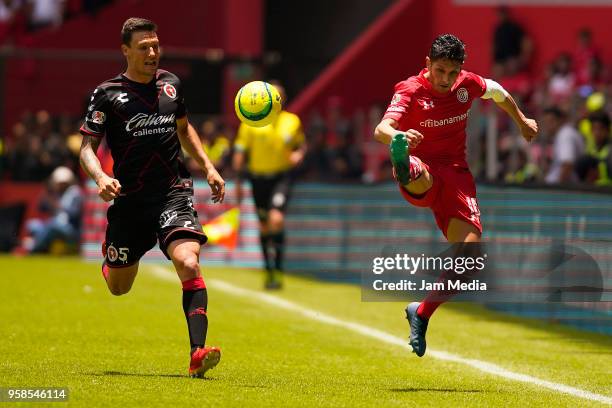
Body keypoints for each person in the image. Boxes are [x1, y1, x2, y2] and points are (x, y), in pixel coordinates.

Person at [78, 18, 225, 378]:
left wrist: (208, 166)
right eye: (144, 47)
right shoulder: (107, 94)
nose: (152, 52)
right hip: (129, 204)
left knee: (189, 263)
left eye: (156, 45)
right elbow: (86, 148)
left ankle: (196, 353)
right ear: (125, 50)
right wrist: (100, 176)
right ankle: (111, 263)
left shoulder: (171, 85)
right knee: (118, 288)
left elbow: (184, 127)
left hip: (172, 193)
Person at [374, 34, 537, 357]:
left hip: (457, 175)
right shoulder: (410, 89)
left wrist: (522, 122)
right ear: (427, 65)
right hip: (425, 168)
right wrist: (399, 135)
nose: (445, 79)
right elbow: (382, 128)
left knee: (471, 259)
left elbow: (500, 93)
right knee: (419, 172)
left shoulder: (469, 84)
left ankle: (420, 313)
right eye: (439, 71)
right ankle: (405, 163)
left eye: (451, 72)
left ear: (460, 69)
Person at [232, 81, 306, 289]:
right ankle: (269, 270)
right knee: (264, 226)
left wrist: (298, 154)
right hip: (257, 179)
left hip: (281, 178)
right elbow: (240, 151)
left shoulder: (292, 121)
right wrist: (238, 181)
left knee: (276, 219)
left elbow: (301, 144)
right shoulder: (250, 121)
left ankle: (280, 270)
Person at [24, 166, 82, 253]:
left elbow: (75, 213)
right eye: (59, 183)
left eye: (63, 183)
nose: (60, 185)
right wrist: (47, 193)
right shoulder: (56, 193)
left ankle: (33, 249)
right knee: (32, 224)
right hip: (54, 224)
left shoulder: (75, 193)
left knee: (52, 224)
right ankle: (40, 247)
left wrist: (58, 206)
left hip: (70, 229)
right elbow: (41, 207)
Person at [542, 106, 584, 185]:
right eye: (546, 122)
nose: (548, 125)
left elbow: (567, 164)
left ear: (560, 120)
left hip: (563, 191)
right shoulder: (563, 134)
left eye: (551, 121)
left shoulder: (565, 135)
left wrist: (558, 189)